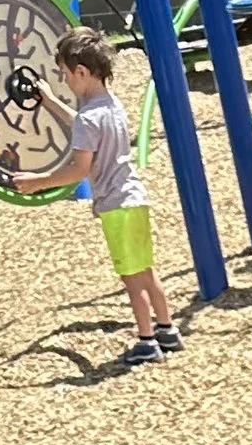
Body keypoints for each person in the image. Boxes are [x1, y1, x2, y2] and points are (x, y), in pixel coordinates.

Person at [11, 27, 176, 367]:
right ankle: (167, 330)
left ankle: (146, 342)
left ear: (82, 72)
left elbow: (79, 170)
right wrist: (50, 101)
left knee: (130, 278)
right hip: (135, 198)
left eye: (66, 75)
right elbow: (84, 127)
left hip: (116, 207)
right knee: (146, 270)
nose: (65, 81)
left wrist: (38, 181)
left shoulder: (89, 117)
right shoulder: (110, 106)